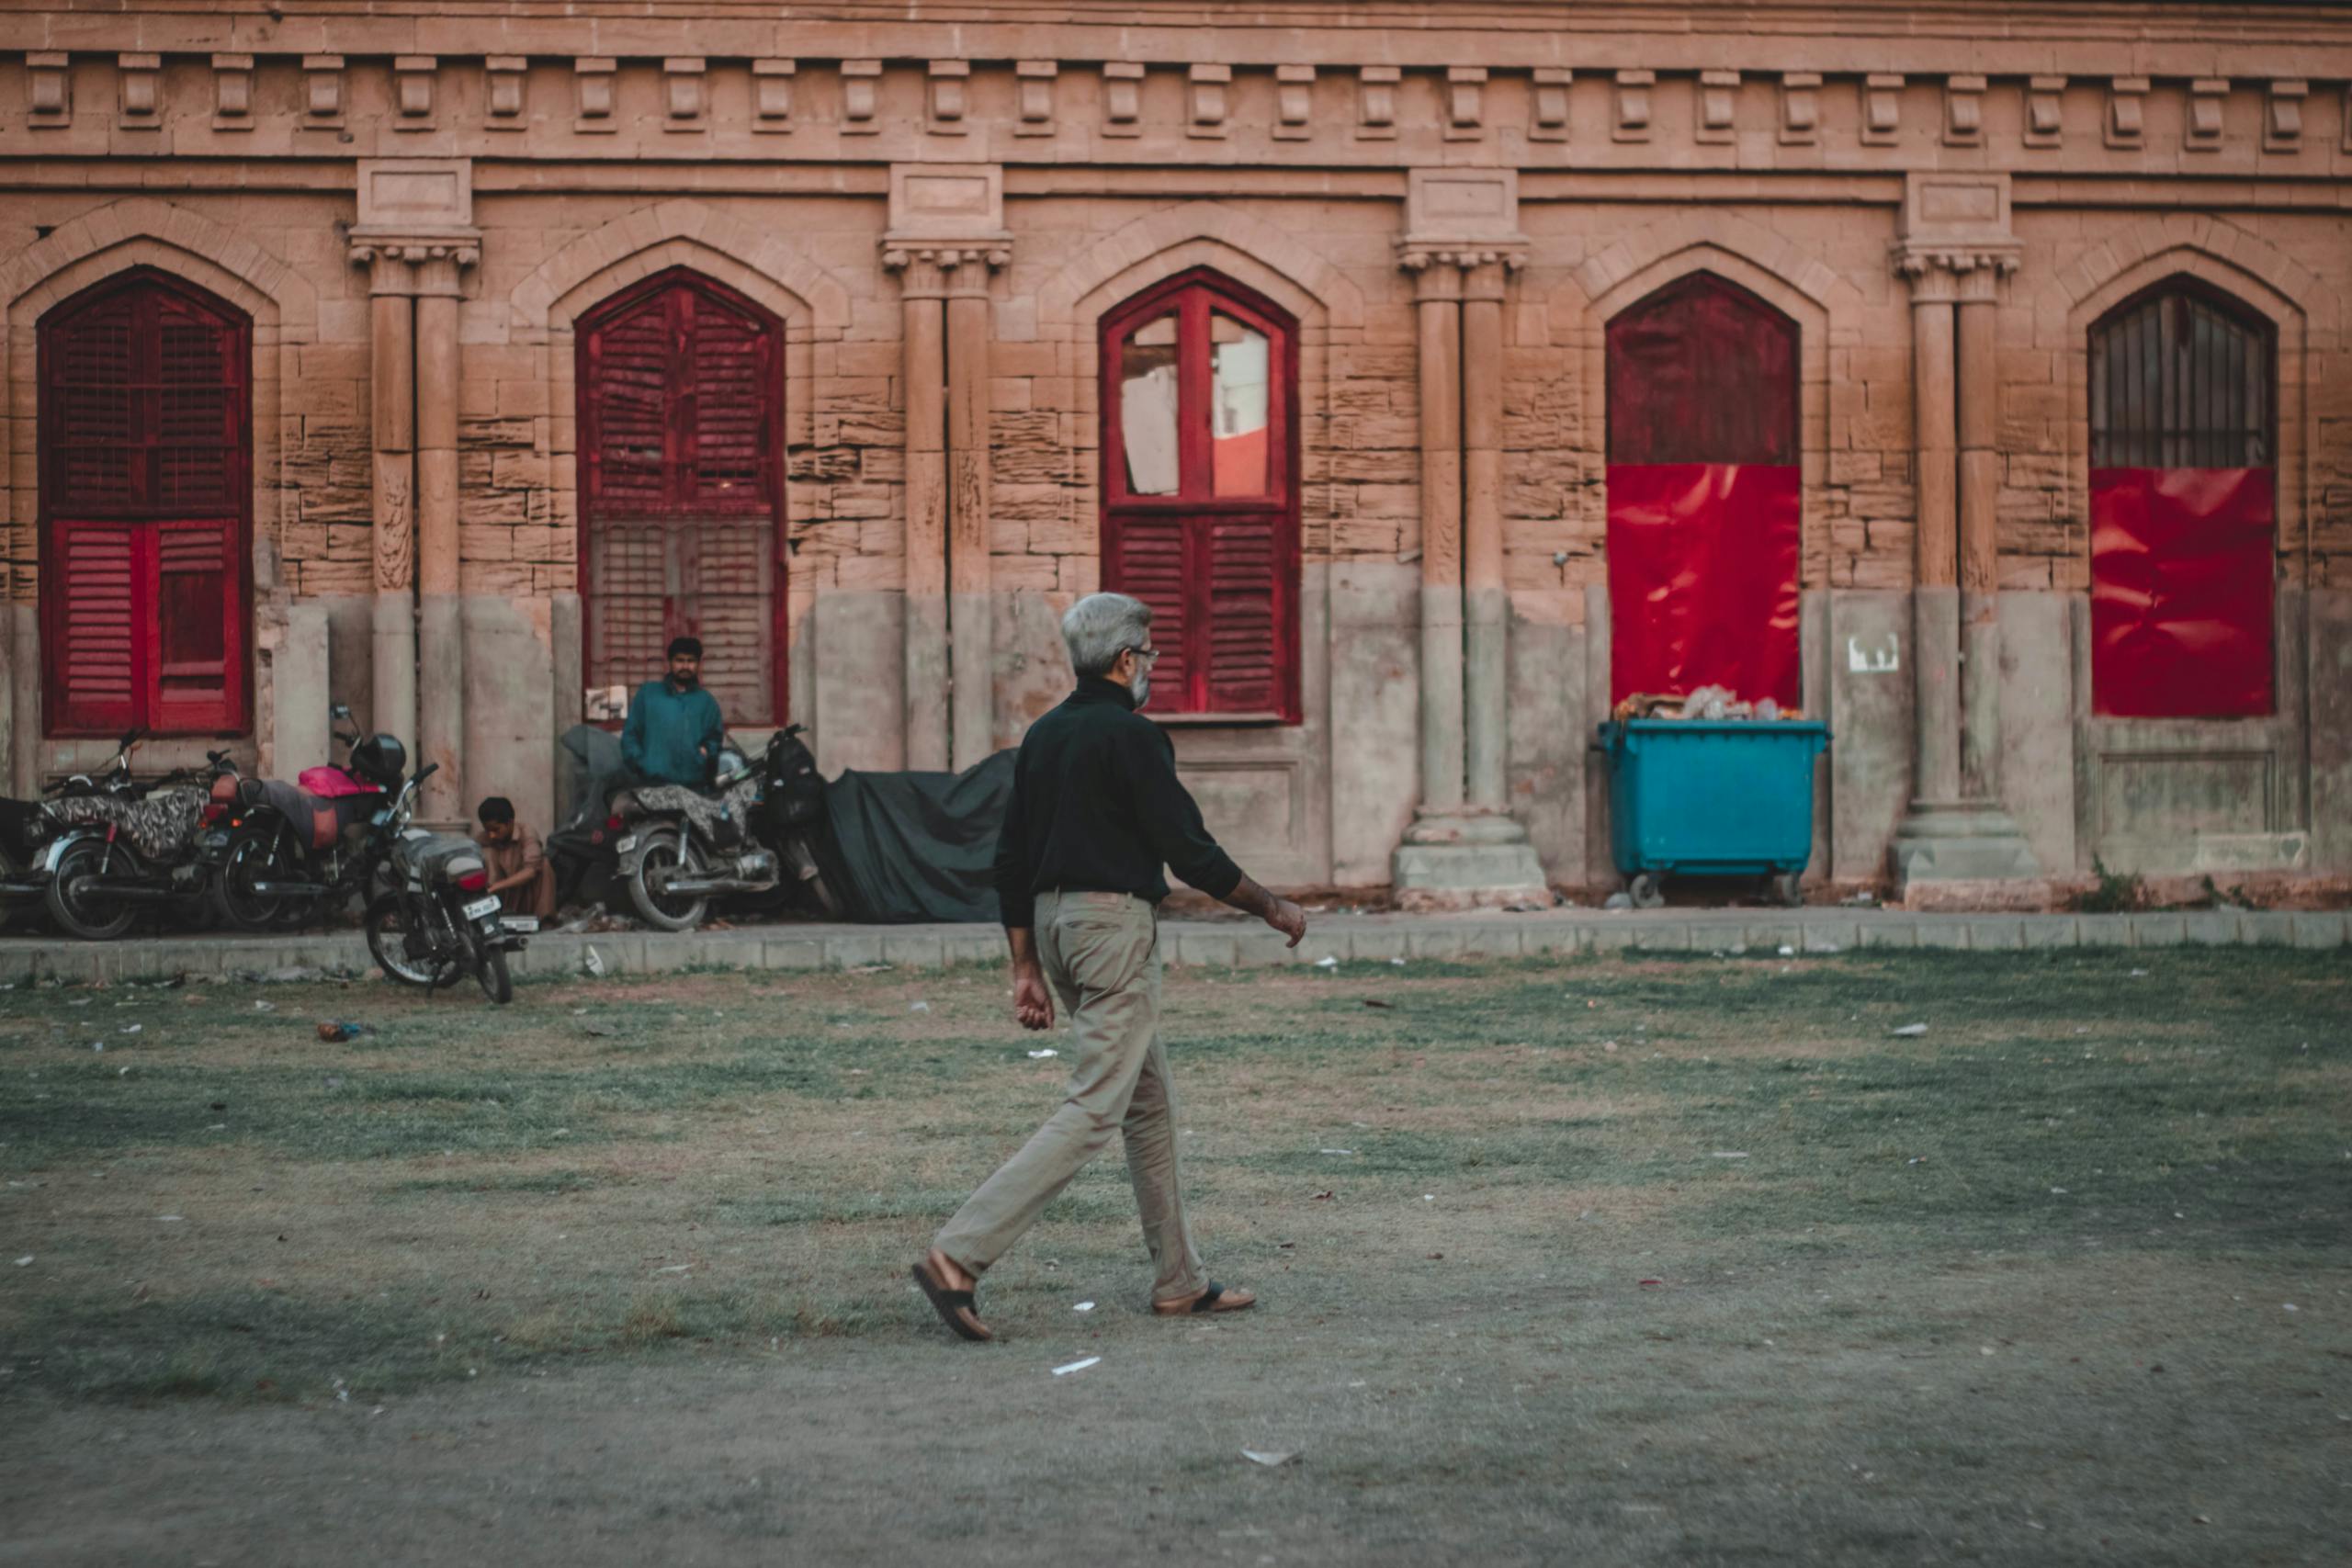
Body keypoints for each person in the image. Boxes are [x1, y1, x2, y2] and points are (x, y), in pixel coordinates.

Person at [911, 592, 1307, 1342]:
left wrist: (1025, 965)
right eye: (1150, 655)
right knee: (1095, 1106)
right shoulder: (1132, 737)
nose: (1152, 667)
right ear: (1127, 660)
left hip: (1059, 927)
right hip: (1111, 927)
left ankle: (1179, 1279)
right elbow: (1190, 851)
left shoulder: (1043, 736)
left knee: (1147, 1100)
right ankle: (957, 1255)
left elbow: (1012, 858)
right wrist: (1271, 906)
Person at [621, 636, 724, 789]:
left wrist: (705, 753)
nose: (685, 666)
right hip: (653, 785)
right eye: (680, 660)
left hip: (694, 788)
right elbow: (631, 735)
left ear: (698, 664)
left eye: (691, 661)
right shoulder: (649, 694)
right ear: (669, 662)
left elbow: (715, 739)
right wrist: (642, 763)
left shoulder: (706, 702)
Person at [473, 795, 556, 919]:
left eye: (496, 829)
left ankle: (546, 920)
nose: (491, 835)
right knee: (485, 854)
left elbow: (531, 871)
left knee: (544, 864)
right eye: (487, 830)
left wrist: (496, 886)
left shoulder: (527, 833)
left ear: (510, 822)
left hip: (524, 896)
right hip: (499, 899)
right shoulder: (484, 839)